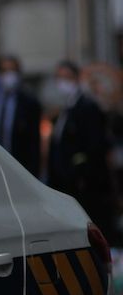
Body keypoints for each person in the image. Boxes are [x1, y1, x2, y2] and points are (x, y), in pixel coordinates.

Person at [47, 61, 116, 242]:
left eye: (67, 77)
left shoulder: (86, 106)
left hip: (84, 182)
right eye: (59, 78)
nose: (63, 83)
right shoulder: (67, 108)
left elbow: (93, 146)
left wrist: (82, 174)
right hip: (69, 181)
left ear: (76, 79)